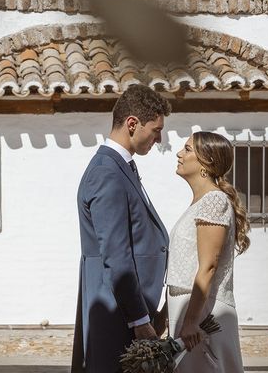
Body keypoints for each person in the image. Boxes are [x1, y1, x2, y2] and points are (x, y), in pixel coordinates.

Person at [71, 84, 172, 373]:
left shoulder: (119, 167)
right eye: (156, 129)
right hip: (117, 312)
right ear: (132, 124)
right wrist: (139, 320)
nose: (159, 138)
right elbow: (116, 255)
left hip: (124, 307)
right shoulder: (107, 171)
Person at [166, 131, 251, 372]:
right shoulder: (201, 202)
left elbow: (208, 266)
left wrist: (191, 321)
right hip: (188, 308)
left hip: (203, 314)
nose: (179, 154)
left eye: (187, 149)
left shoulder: (214, 201)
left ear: (207, 162)